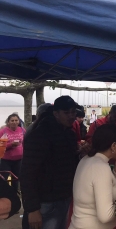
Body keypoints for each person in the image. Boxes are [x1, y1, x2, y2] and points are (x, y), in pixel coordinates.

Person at [20, 96, 80, 229]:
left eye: (73, 112)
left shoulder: (69, 133)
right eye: (66, 112)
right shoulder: (40, 134)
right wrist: (32, 209)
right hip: (44, 202)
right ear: (56, 114)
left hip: (64, 198)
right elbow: (27, 172)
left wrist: (81, 153)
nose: (71, 116)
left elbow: (67, 163)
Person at [69, 124, 116, 229]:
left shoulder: (87, 159)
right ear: (113, 146)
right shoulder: (100, 167)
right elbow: (105, 216)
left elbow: (103, 187)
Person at [0, 113, 26, 190]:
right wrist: (11, 144)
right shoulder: (3, 131)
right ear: (8, 122)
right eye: (12, 120)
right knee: (3, 179)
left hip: (19, 160)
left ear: (19, 121)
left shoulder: (22, 130)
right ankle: (4, 194)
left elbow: (25, 143)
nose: (14, 122)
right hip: (6, 160)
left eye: (16, 120)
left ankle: (15, 195)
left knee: (16, 179)